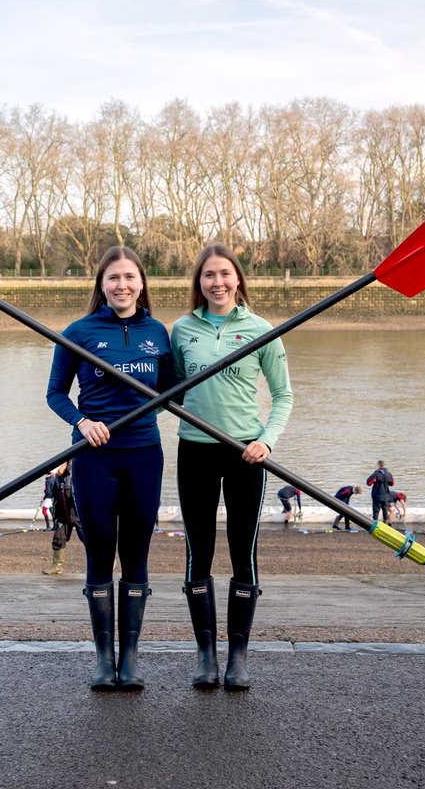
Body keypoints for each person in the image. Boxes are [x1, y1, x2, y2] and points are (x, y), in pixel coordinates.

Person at [46, 245, 174, 692]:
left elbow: (175, 392)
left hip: (144, 455)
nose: (123, 285)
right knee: (100, 552)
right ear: (101, 285)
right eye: (114, 278)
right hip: (94, 456)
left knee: (136, 554)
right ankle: (104, 659)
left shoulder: (158, 332)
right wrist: (82, 422)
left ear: (142, 284)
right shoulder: (78, 332)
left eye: (130, 278)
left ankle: (131, 657)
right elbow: (56, 395)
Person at [171, 243, 293, 691]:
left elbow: (283, 396)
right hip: (196, 451)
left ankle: (238, 655)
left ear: (238, 279)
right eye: (208, 275)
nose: (217, 282)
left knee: (244, 552)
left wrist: (266, 441)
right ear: (198, 283)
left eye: (225, 274)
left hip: (245, 453)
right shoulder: (181, 329)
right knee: (197, 552)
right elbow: (176, 391)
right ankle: (206, 653)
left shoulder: (262, 330)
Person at [41, 461, 79, 576]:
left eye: (62, 465)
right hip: (64, 516)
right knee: (58, 539)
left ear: (67, 465)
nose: (59, 468)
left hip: (78, 516)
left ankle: (104, 565)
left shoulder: (74, 477)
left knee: (90, 541)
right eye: (58, 465)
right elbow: (54, 498)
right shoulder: (56, 479)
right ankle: (57, 567)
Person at [366, 460, 396, 525]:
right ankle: (385, 526)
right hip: (386, 496)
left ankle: (375, 525)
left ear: (378, 465)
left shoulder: (376, 474)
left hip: (377, 496)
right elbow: (392, 483)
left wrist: (376, 480)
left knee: (376, 511)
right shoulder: (389, 474)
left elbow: (368, 483)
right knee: (385, 511)